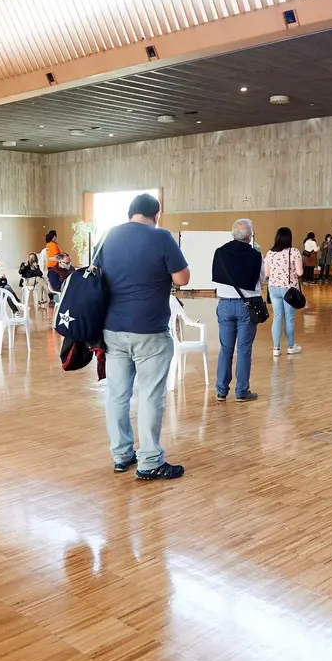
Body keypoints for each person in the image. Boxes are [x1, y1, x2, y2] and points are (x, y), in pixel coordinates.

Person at [94, 193, 189, 481]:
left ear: (130, 213)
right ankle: (150, 460)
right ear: (156, 214)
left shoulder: (108, 236)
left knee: (117, 395)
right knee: (150, 395)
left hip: (112, 329)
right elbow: (182, 279)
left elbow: (95, 274)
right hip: (149, 329)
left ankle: (122, 455)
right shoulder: (161, 237)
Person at [212, 219, 263, 402]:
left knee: (226, 348)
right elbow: (261, 280)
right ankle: (241, 392)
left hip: (224, 304)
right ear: (249, 236)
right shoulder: (256, 255)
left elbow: (217, 278)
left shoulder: (219, 252)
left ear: (233, 233)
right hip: (246, 306)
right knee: (244, 349)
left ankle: (221, 390)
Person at [265, 227, 304, 357]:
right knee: (289, 318)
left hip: (273, 288)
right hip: (289, 290)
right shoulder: (294, 252)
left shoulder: (270, 253)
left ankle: (276, 348)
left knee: (277, 317)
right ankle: (291, 346)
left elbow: (266, 274)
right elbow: (300, 272)